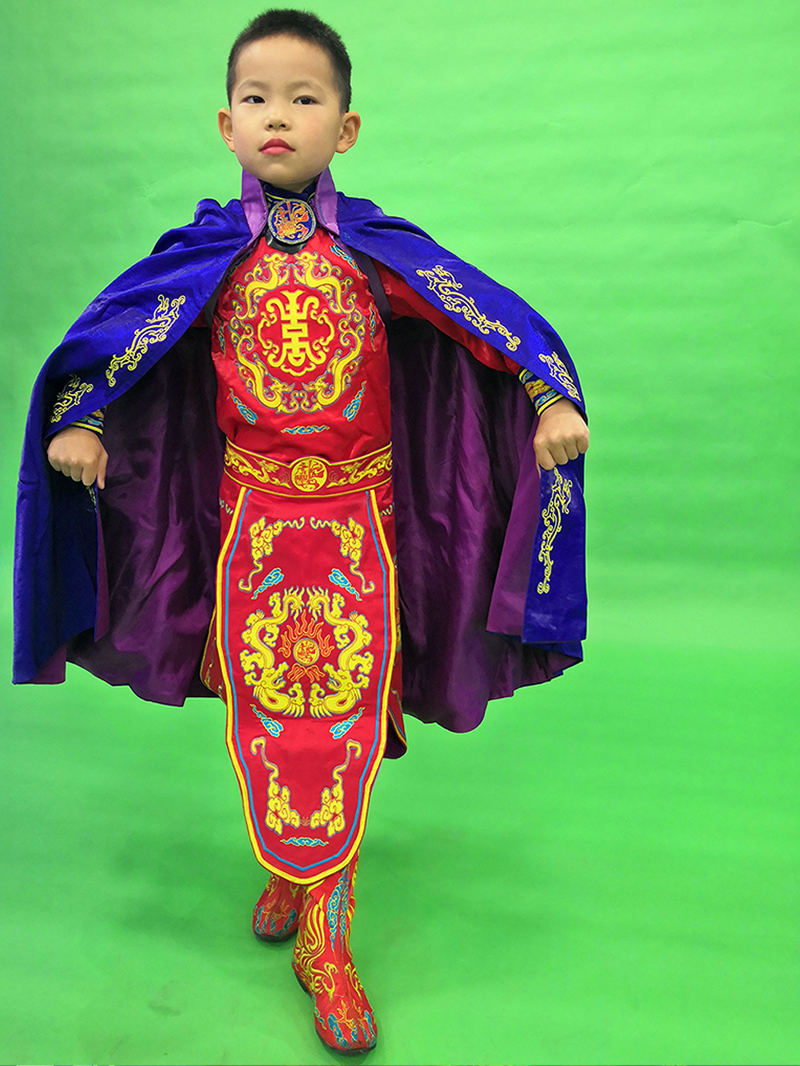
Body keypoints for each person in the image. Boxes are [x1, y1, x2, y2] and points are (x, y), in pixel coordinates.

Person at [15, 9, 589, 1055]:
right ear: (225, 123)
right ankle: (295, 865)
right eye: (257, 98)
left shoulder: (374, 256)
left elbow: (482, 319)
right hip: (249, 530)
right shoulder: (206, 258)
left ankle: (326, 933)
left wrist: (547, 394)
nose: (277, 115)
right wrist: (82, 417)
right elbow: (125, 341)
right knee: (271, 715)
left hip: (359, 529)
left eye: (304, 98)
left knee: (340, 712)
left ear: (346, 128)